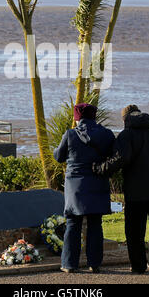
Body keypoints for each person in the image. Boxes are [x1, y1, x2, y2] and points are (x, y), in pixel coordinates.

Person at [93, 104, 149, 274]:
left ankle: (138, 266)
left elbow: (120, 158)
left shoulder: (127, 135)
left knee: (135, 231)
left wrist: (101, 168)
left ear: (125, 118)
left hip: (137, 191)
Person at [54, 103, 115, 273]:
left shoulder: (70, 134)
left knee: (73, 223)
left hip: (75, 185)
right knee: (95, 223)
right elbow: (114, 156)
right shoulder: (107, 134)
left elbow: (59, 156)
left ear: (77, 117)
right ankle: (94, 263)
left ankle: (68, 264)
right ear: (94, 116)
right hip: (98, 182)